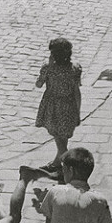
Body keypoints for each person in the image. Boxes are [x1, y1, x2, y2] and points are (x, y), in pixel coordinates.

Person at [31, 148, 112, 223]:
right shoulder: (100, 200)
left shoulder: (55, 191)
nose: (62, 173)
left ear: (70, 170)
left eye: (63, 169)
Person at [35, 37, 82, 174]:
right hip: (69, 106)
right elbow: (77, 92)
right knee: (63, 136)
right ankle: (57, 164)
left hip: (52, 107)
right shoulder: (74, 69)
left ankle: (70, 166)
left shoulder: (48, 68)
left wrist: (48, 68)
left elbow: (38, 85)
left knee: (57, 137)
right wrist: (78, 111)